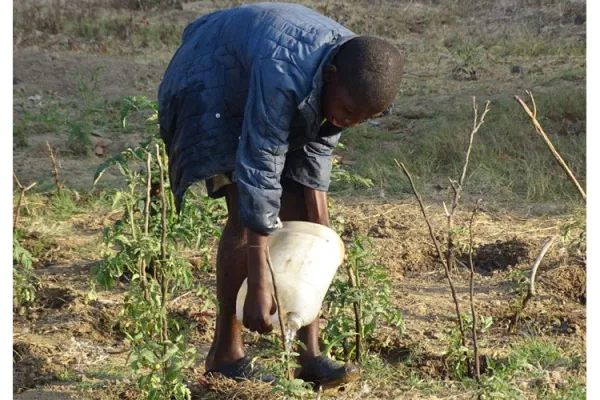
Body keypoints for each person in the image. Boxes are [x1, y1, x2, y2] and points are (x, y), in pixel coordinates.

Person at [158, 2, 404, 388]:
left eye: (362, 120)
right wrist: (259, 284)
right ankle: (225, 353)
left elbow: (316, 156)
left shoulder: (349, 77)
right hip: (211, 81)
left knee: (303, 217)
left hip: (260, 66)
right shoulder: (285, 75)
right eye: (349, 112)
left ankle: (308, 355)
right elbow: (260, 166)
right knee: (244, 208)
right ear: (332, 76)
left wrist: (320, 240)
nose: (349, 122)